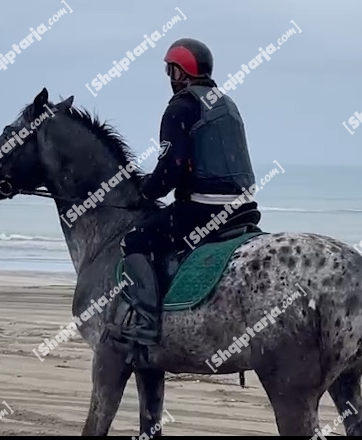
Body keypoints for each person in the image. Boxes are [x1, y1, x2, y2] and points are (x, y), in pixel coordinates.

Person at [106, 37, 259, 362]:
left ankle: (147, 324)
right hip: (243, 208)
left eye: (170, 70)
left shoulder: (181, 107)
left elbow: (171, 169)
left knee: (136, 239)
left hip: (204, 208)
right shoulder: (227, 103)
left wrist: (146, 191)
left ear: (180, 71)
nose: (169, 77)